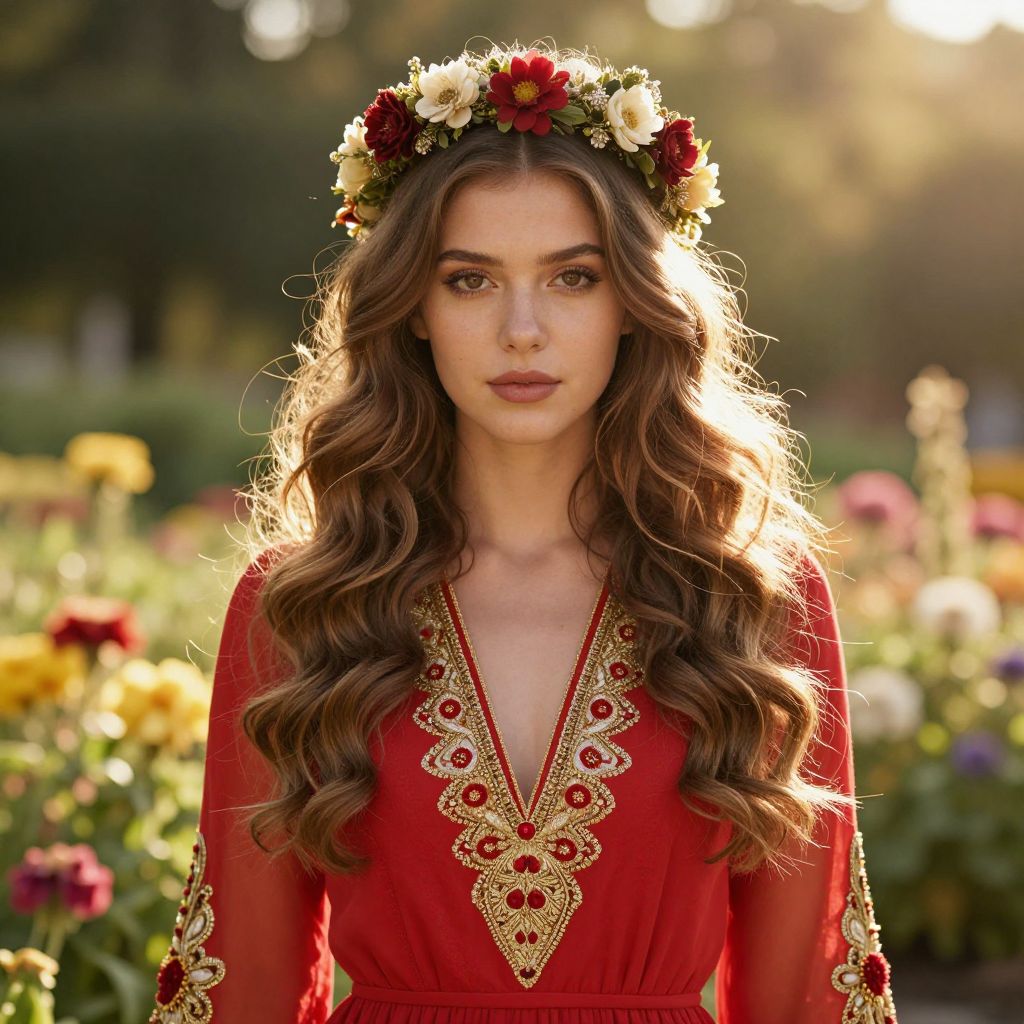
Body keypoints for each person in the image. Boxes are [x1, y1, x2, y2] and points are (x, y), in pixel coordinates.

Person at [149, 40, 899, 1024]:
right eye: (469, 280)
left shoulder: (754, 596)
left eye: (572, 278)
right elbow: (241, 987)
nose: (522, 329)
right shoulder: (301, 602)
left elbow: (806, 989)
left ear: (634, 301)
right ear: (411, 305)